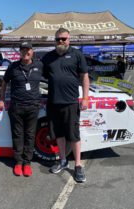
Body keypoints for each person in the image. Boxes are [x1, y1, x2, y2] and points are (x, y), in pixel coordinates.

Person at [42, 28, 89, 183]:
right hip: (53, 103)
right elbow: (36, 74)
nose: (61, 41)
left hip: (70, 102)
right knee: (59, 135)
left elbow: (85, 77)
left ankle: (77, 166)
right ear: (54, 40)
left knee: (74, 135)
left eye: (63, 39)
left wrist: (85, 98)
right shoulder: (48, 57)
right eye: (58, 39)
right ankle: (62, 161)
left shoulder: (77, 55)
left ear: (69, 39)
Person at [0, 42, 43, 177]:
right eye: (23, 50)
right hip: (16, 106)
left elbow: (52, 78)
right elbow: (5, 82)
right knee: (17, 135)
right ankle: (18, 162)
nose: (25, 52)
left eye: (28, 50)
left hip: (33, 106)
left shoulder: (39, 66)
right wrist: (1, 99)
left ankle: (27, 163)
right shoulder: (13, 67)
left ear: (32, 51)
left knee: (30, 135)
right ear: (20, 52)